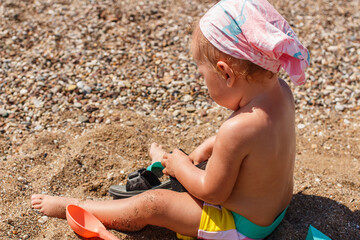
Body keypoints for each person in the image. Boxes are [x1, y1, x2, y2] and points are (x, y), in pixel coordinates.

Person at [31, 0, 310, 239]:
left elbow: (211, 192)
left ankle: (82, 206)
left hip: (244, 228)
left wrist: (179, 166)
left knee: (156, 203)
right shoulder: (281, 93)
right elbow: (259, 141)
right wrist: (209, 146)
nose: (204, 82)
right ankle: (169, 161)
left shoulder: (236, 128)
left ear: (225, 73)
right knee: (200, 164)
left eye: (203, 76)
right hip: (276, 209)